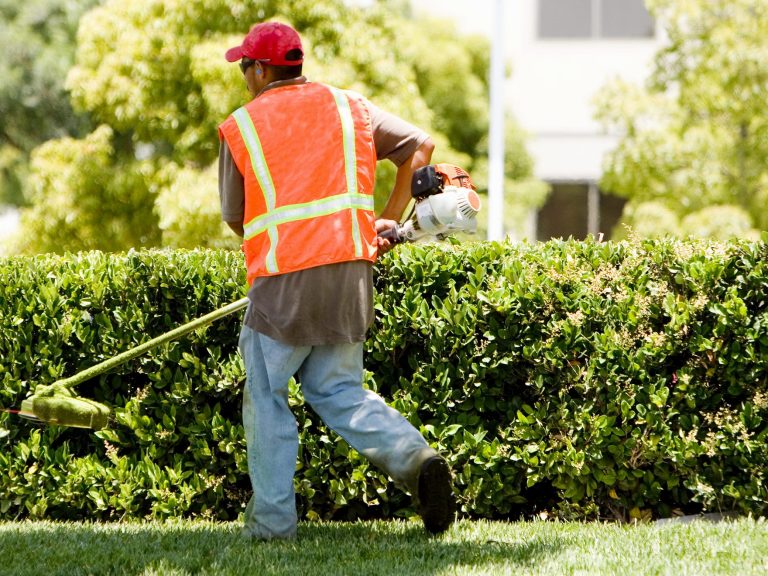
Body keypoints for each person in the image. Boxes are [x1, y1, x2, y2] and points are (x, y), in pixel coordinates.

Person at [218, 21, 456, 540]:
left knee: (266, 397)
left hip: (282, 286)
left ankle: (271, 527)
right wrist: (381, 223)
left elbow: (236, 217)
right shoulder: (351, 107)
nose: (244, 76)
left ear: (260, 70)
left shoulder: (243, 126)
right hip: (351, 275)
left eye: (245, 67)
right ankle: (417, 460)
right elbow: (421, 145)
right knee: (340, 390)